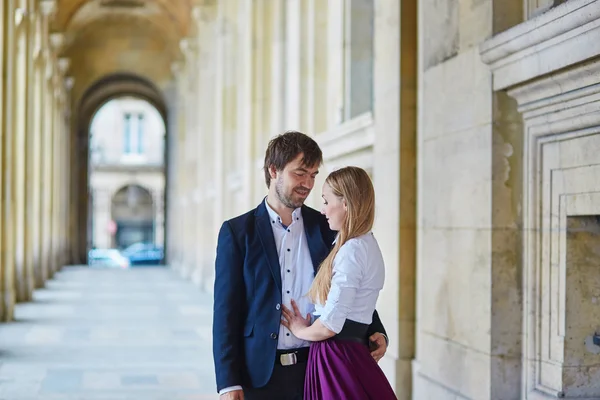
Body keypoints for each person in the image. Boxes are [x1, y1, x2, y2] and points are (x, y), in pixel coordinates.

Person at [213, 131, 389, 400]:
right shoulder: (237, 233)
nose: (308, 183)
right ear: (274, 170)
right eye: (300, 173)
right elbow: (226, 312)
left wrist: (376, 328)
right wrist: (228, 382)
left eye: (314, 174)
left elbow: (348, 282)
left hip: (316, 368)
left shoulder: (326, 225)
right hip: (260, 376)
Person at [281, 166, 397, 400]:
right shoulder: (366, 244)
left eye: (326, 201)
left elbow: (330, 326)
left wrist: (300, 329)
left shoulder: (351, 250)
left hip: (336, 358)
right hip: (348, 355)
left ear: (346, 203)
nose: (323, 210)